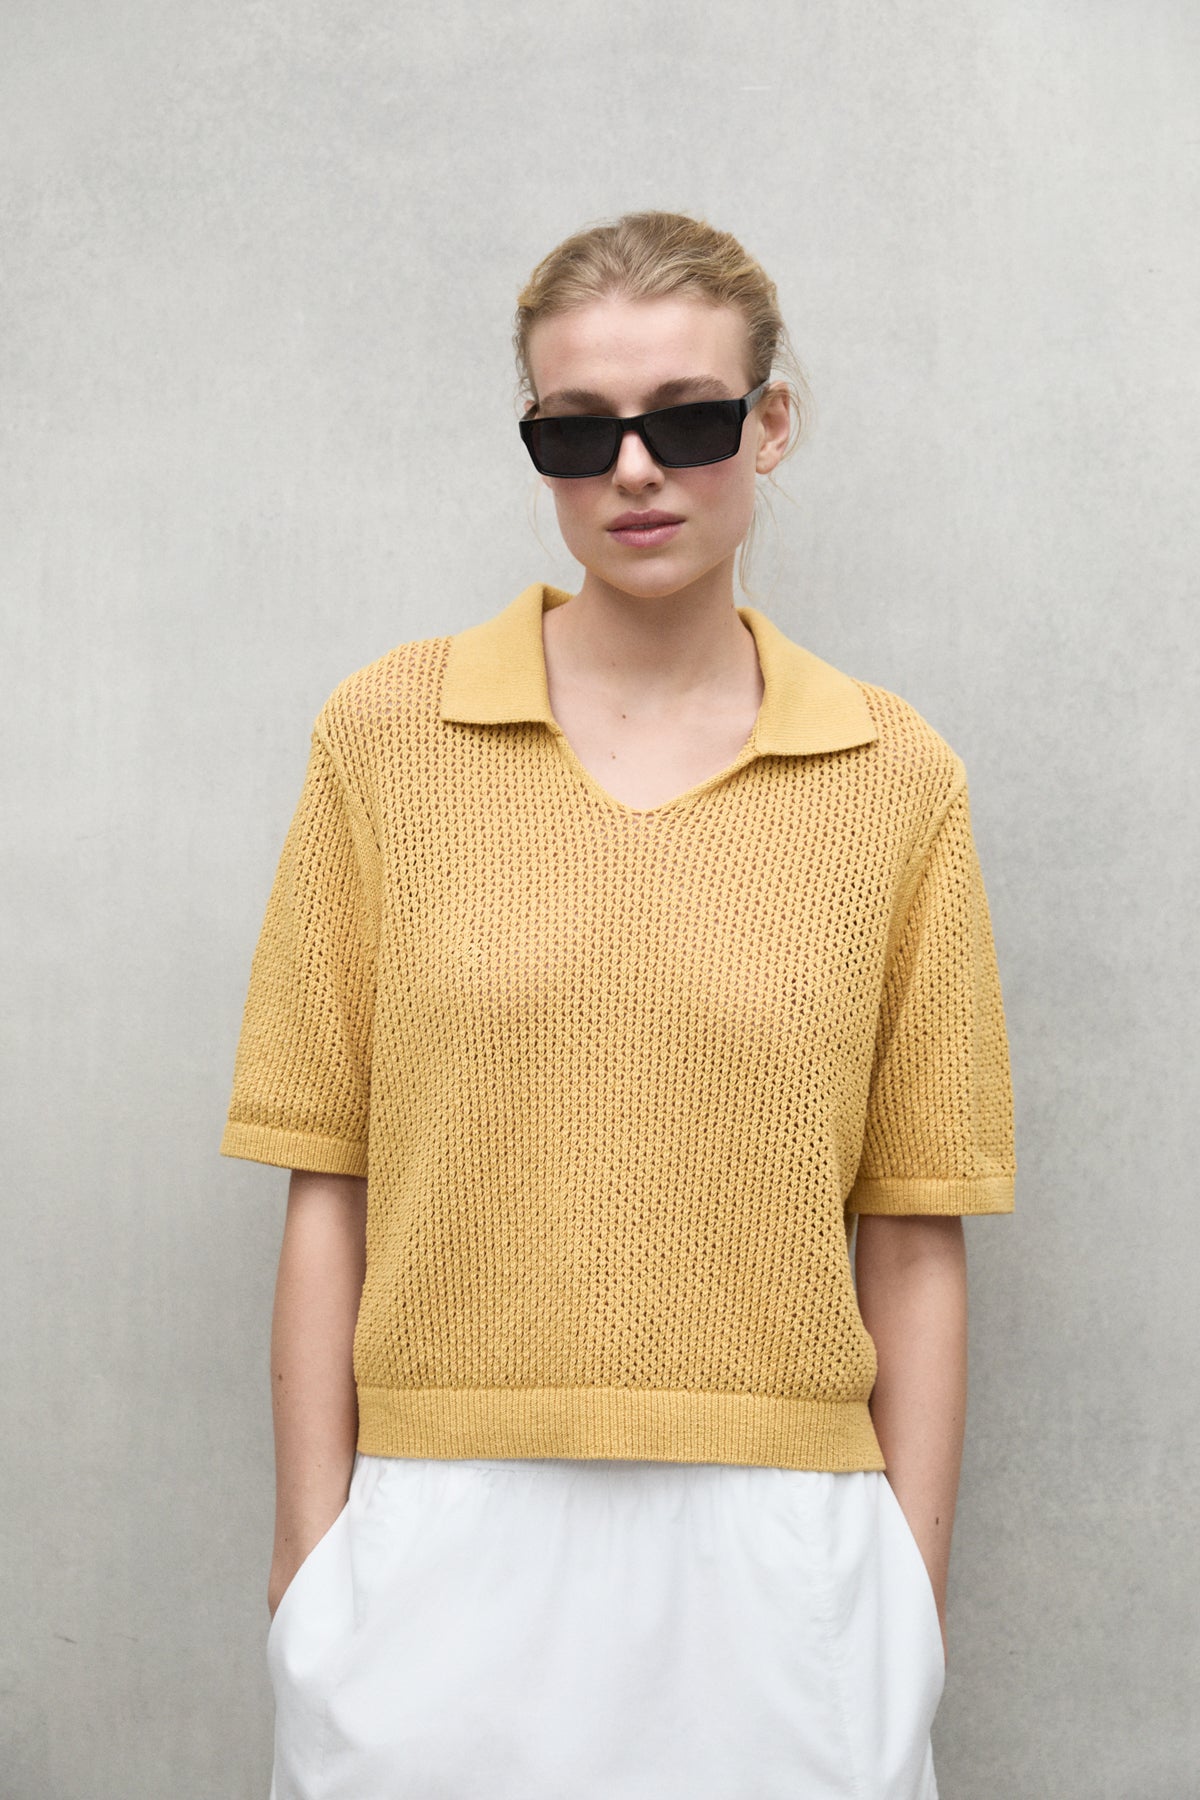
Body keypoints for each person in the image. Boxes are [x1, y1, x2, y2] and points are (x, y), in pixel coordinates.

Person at [220, 209, 1016, 1800]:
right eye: (577, 431)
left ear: (771, 425)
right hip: (437, 1535)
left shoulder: (894, 776)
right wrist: (316, 1564)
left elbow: (916, 1229)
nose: (635, 470)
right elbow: (330, 1178)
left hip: (783, 1557)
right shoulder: (388, 738)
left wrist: (907, 1606)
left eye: (689, 420)